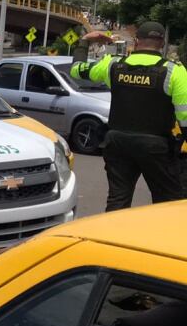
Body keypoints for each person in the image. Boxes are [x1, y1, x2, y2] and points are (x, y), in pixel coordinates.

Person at [71, 21, 187, 211]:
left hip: (118, 143)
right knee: (168, 203)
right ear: (162, 42)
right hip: (156, 146)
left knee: (117, 200)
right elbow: (185, 118)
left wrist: (84, 41)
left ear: (136, 41)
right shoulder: (174, 71)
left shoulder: (114, 64)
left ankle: (111, 238)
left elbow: (77, 70)